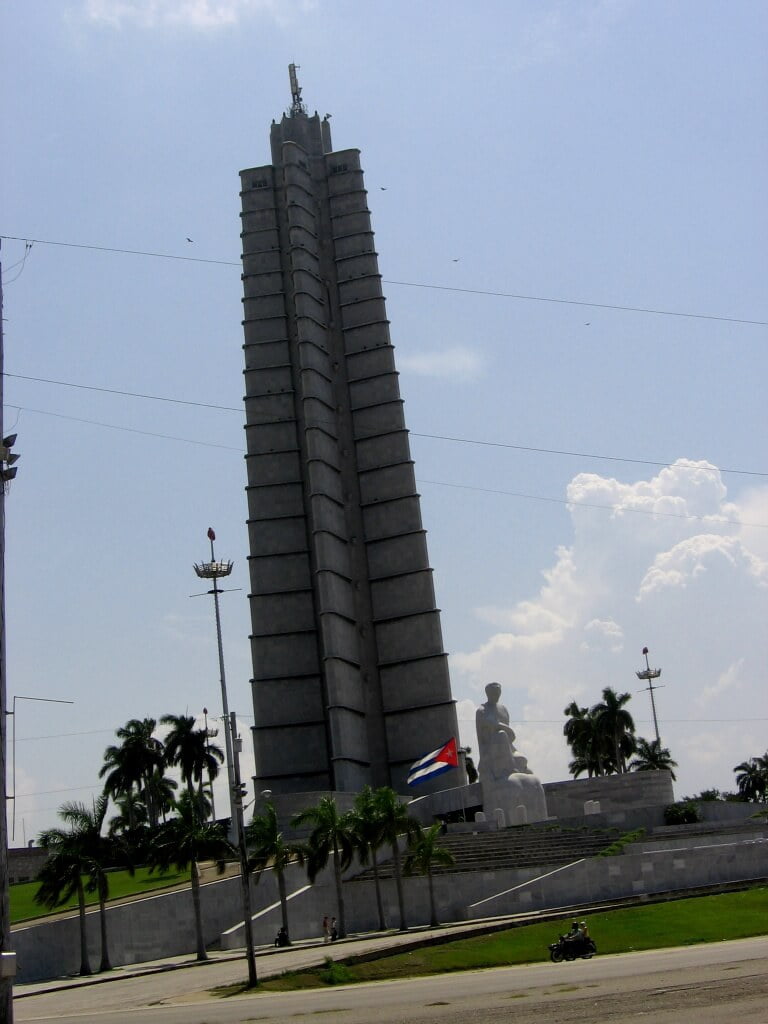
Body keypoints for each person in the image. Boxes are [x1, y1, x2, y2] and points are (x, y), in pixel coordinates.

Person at [475, 682, 531, 781]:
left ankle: (515, 766)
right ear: (488, 693)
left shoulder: (503, 709)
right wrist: (505, 729)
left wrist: (506, 730)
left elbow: (510, 736)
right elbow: (494, 726)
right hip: (492, 749)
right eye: (494, 692)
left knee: (522, 760)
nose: (497, 695)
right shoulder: (482, 710)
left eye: (498, 692)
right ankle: (511, 768)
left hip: (507, 747)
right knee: (501, 735)